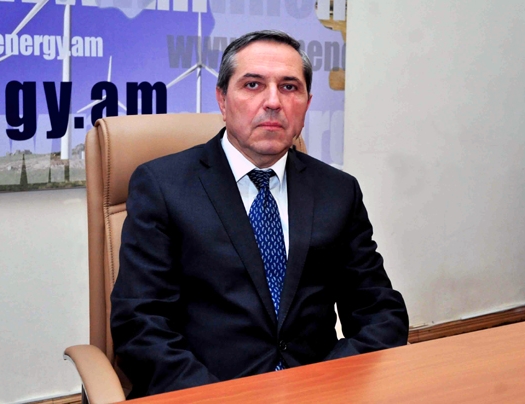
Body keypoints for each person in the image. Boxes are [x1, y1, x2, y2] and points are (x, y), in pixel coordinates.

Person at [110, 30, 409, 399]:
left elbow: (380, 313)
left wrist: (328, 382)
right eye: (252, 85)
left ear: (307, 103)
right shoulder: (163, 186)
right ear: (222, 99)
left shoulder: (338, 191)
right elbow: (140, 324)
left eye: (289, 87)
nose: (273, 102)